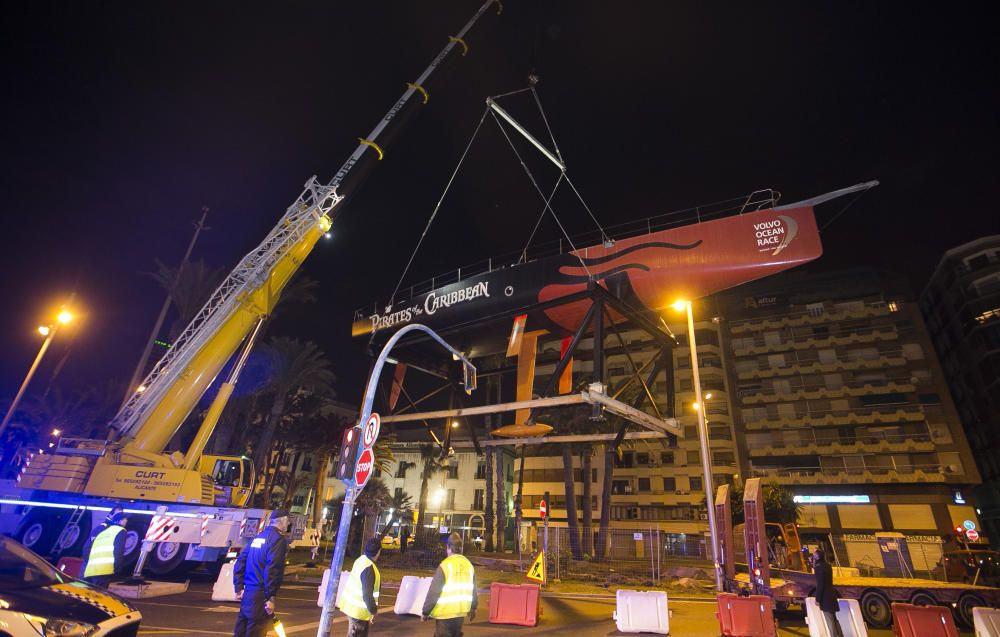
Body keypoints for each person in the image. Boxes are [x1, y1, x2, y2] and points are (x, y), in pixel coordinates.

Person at [233, 509, 289, 637]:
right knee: (256, 630)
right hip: (260, 594)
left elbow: (240, 561)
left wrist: (239, 587)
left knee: (241, 630)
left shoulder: (258, 537)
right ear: (282, 521)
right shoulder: (278, 540)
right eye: (288, 521)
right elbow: (273, 568)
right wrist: (270, 597)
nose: (288, 524)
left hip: (248, 593)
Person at [422, 532, 477, 637]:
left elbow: (434, 592)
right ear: (461, 548)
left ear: (448, 547)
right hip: (460, 613)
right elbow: (473, 589)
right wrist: (473, 608)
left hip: (445, 614)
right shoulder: (469, 565)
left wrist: (425, 612)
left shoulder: (445, 566)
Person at [337, 539, 382, 637]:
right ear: (378, 551)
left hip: (352, 608)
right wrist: (373, 611)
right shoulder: (369, 568)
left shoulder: (361, 560)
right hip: (359, 612)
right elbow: (367, 594)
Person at [81, 511, 129, 587]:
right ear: (119, 520)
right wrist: (117, 568)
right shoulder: (121, 531)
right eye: (124, 519)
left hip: (90, 570)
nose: (126, 521)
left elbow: (87, 548)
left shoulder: (103, 531)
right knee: (99, 596)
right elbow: (118, 551)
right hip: (104, 570)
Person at [812, 549, 844, 637]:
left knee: (829, 620)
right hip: (832, 595)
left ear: (817, 557)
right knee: (834, 619)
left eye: (814, 555)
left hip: (825, 598)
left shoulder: (818, 567)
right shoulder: (828, 566)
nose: (812, 557)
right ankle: (840, 635)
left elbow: (820, 584)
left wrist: (817, 599)